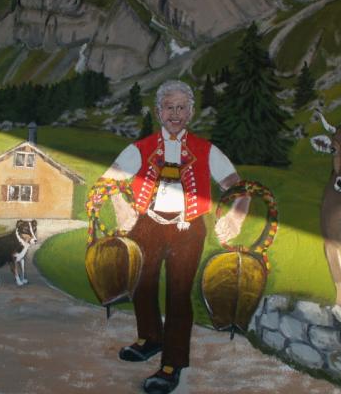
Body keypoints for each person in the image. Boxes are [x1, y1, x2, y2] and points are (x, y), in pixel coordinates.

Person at [101, 80, 249, 394]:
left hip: (188, 228)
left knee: (179, 294)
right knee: (141, 284)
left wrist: (237, 215)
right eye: (169, 107)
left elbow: (239, 188)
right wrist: (120, 206)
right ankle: (150, 339)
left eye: (182, 107)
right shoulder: (141, 148)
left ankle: (172, 363)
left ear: (191, 112)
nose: (175, 114)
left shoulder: (206, 150)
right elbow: (108, 181)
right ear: (158, 111)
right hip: (147, 224)